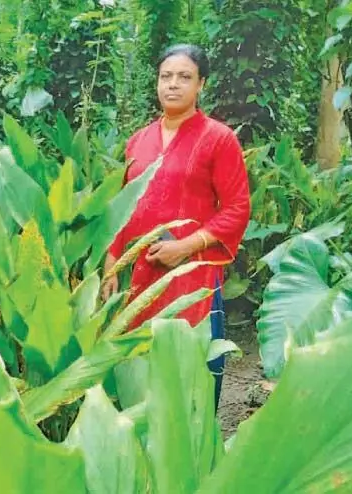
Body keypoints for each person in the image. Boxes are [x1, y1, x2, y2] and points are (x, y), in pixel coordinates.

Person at [102, 44, 250, 408]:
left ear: (201, 84)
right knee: (139, 368)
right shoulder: (138, 141)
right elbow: (125, 208)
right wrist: (112, 264)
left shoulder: (218, 138)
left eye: (185, 77)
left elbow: (237, 207)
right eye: (166, 76)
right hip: (140, 276)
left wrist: (185, 247)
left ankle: (193, 456)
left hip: (189, 276)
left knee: (190, 367)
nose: (173, 84)